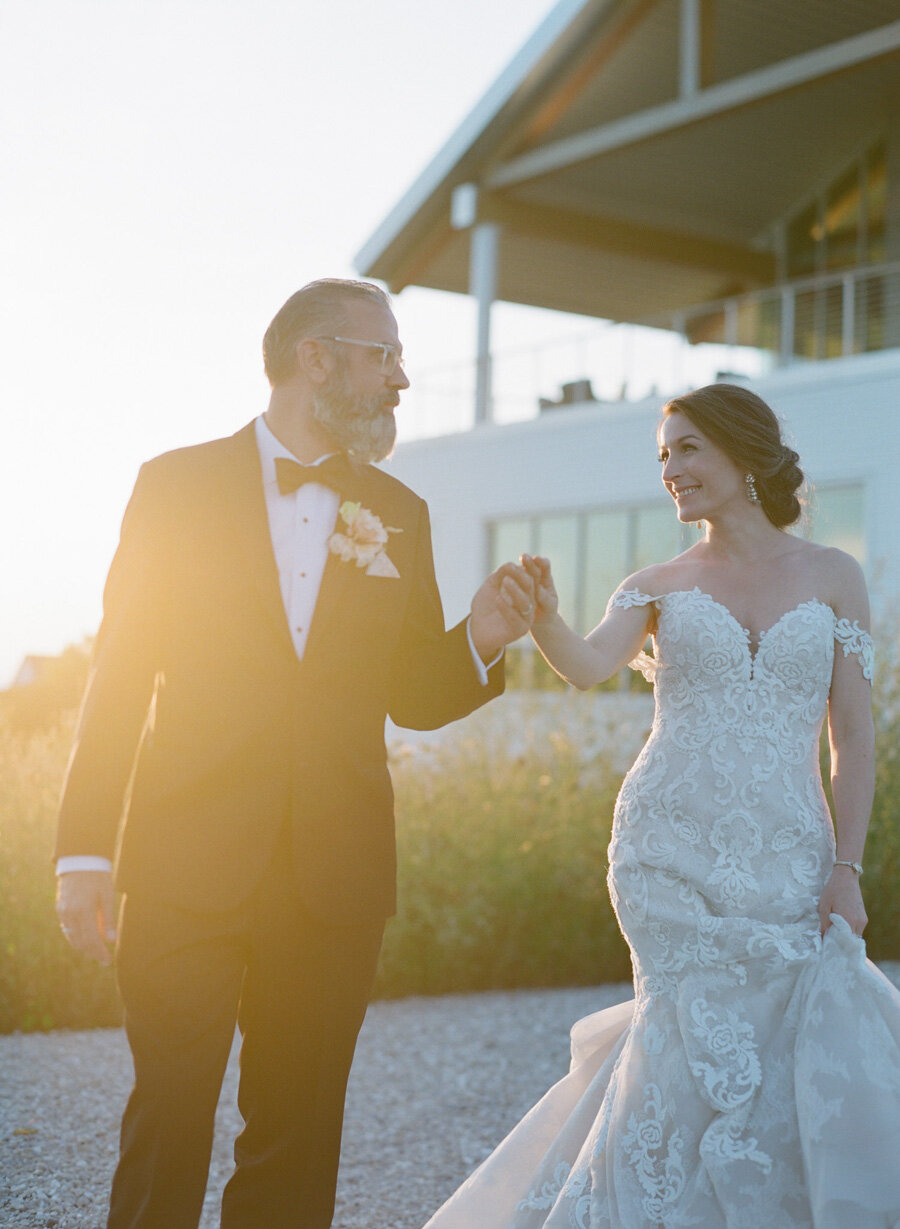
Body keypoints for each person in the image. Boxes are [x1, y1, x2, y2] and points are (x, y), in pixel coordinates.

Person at [54, 278, 537, 1229]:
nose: (400, 378)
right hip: (184, 860)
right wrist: (84, 851)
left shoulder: (400, 511)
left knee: (300, 1127)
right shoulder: (174, 484)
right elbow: (120, 675)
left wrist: (478, 634)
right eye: (383, 354)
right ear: (315, 357)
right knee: (170, 1113)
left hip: (334, 876)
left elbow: (413, 693)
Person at [422, 383, 900, 1228]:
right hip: (665, 848)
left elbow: (853, 739)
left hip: (792, 853)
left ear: (743, 453)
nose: (672, 470)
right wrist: (543, 616)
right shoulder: (655, 585)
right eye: (663, 457)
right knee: (680, 1044)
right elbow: (584, 664)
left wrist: (847, 868)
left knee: (794, 1038)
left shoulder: (835, 577)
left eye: (687, 449)